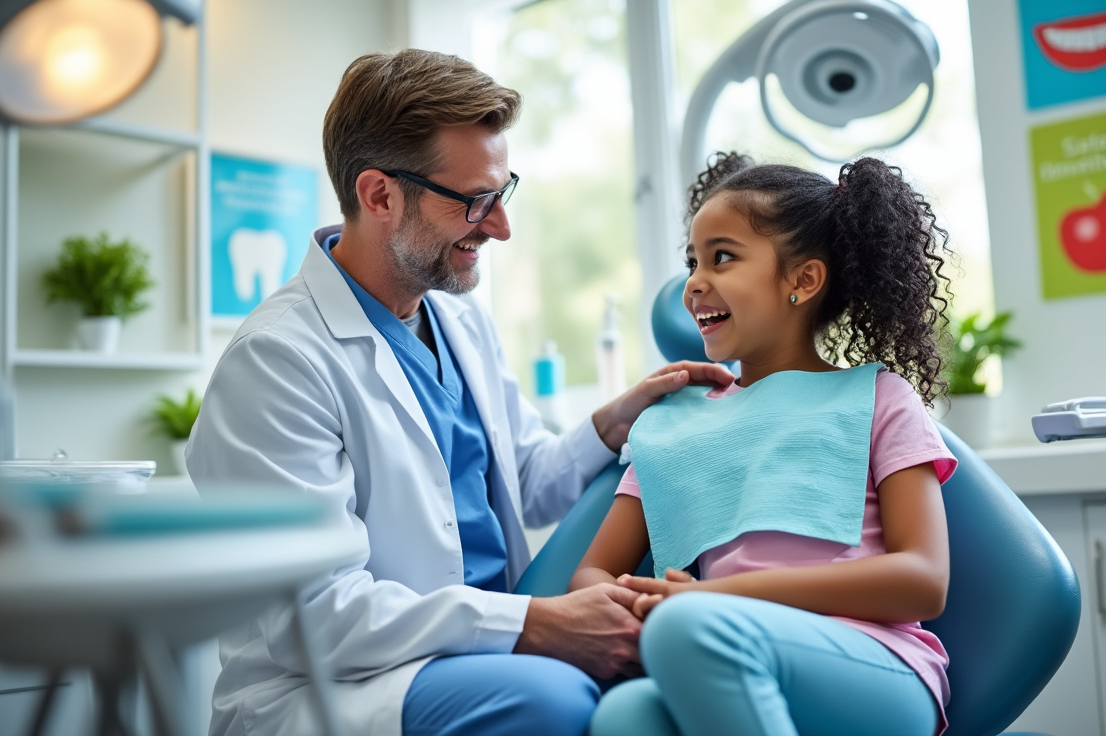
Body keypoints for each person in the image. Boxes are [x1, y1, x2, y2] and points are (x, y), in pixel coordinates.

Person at [187, 49, 732, 736]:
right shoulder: (277, 362)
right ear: (379, 195)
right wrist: (534, 623)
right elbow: (314, 619)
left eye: (504, 192)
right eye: (477, 201)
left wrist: (615, 422)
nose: (501, 225)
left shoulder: (457, 318)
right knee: (555, 702)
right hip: (346, 684)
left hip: (477, 642)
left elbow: (523, 479)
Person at [570, 152, 959, 736]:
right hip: (712, 644)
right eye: (692, 261)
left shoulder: (878, 399)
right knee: (625, 716)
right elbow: (591, 574)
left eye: (722, 257)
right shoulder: (672, 424)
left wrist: (719, 597)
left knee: (690, 629)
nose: (694, 282)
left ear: (802, 280)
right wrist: (643, 604)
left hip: (878, 666)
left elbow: (923, 582)